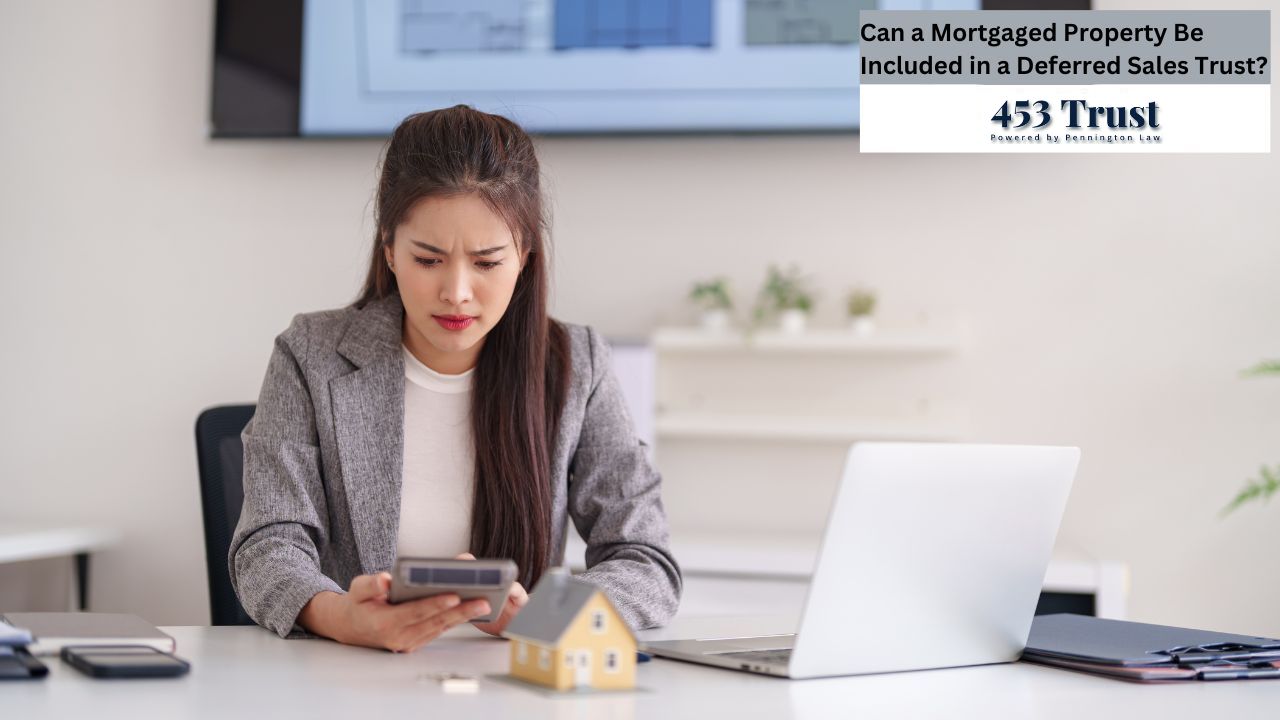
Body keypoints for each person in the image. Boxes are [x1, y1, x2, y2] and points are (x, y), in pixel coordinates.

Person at [228, 105, 681, 653]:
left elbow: (646, 559)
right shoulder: (311, 355)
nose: (457, 292)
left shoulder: (575, 364)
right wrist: (345, 619)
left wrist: (544, 618)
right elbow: (267, 548)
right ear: (390, 250)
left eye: (488, 263)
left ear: (525, 258)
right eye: (428, 259)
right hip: (350, 679)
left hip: (515, 682)